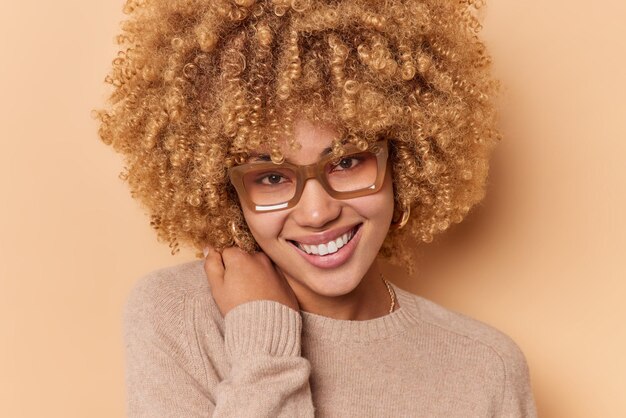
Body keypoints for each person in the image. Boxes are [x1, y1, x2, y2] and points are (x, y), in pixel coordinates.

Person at [96, 0, 538, 416]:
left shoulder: (485, 368)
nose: (316, 212)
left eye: (347, 162)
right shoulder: (180, 314)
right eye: (270, 177)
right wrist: (264, 343)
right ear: (227, 191)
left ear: (402, 160)